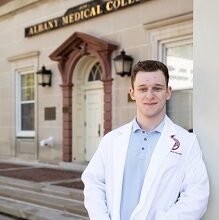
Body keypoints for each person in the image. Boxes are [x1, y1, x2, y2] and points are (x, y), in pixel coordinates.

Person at [81, 60, 209, 220]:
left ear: (168, 92)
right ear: (132, 93)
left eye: (157, 88)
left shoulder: (187, 142)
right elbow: (94, 184)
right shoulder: (112, 140)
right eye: (142, 89)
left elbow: (196, 196)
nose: (150, 95)